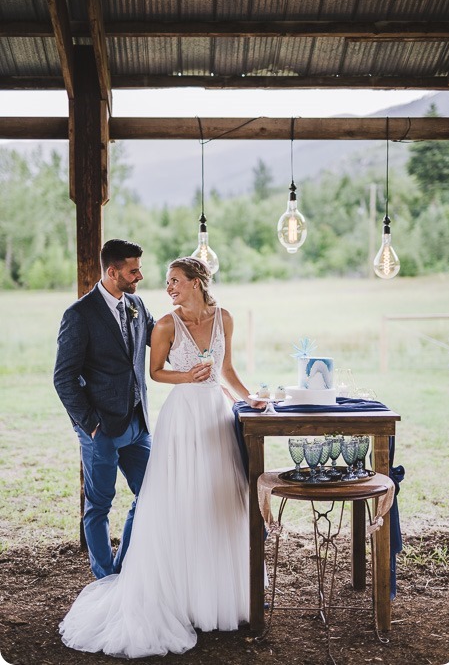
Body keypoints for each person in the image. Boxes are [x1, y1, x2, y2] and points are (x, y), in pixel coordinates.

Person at [58, 256, 266, 658]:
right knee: (171, 500)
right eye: (166, 281)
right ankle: (144, 582)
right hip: (181, 418)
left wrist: (249, 398)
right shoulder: (166, 324)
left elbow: (227, 368)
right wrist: (186, 377)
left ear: (197, 281)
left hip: (215, 417)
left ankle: (218, 592)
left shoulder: (224, 317)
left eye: (175, 280)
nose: (167, 286)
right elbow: (154, 372)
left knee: (218, 499)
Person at [53, 239, 155, 579]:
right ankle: (104, 578)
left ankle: (123, 568)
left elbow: (162, 339)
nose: (140, 276)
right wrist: (90, 424)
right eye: (133, 270)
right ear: (112, 272)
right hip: (100, 429)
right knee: (98, 505)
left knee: (152, 493)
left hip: (137, 424)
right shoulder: (79, 314)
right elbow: (63, 378)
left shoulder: (137, 304)